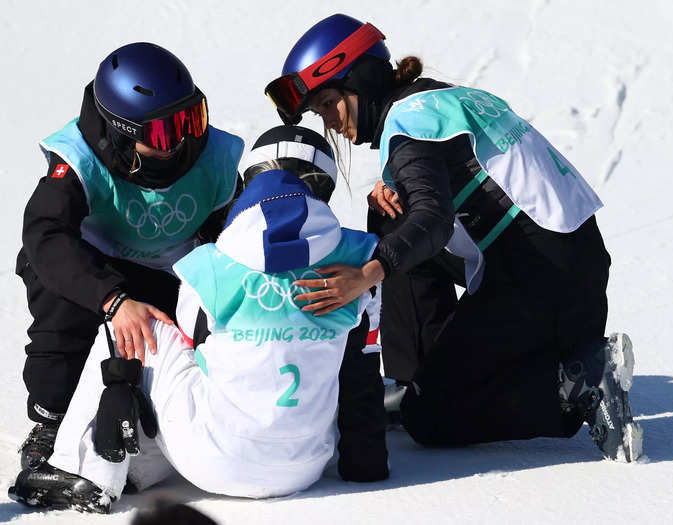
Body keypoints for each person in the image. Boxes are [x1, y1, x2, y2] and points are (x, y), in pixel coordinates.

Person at [264, 14, 643, 462]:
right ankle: (416, 377)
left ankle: (575, 385)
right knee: (387, 211)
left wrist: (365, 274)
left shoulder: (407, 127)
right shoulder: (442, 98)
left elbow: (433, 222)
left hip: (537, 287)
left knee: (431, 417)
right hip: (570, 270)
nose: (330, 122)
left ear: (360, 79)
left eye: (328, 103)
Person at [9, 126, 389, 513]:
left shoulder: (211, 263)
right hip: (305, 467)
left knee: (130, 324)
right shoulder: (359, 263)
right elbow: (362, 369)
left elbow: (196, 350)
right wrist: (366, 464)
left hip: (212, 462)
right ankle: (140, 468)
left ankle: (82, 472)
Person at [15, 42, 244, 473]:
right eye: (163, 132)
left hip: (167, 273)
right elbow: (44, 235)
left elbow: (234, 236)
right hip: (94, 270)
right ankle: (51, 420)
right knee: (58, 297)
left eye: (191, 120)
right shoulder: (79, 160)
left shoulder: (211, 156)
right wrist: (113, 300)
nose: (181, 141)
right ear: (122, 132)